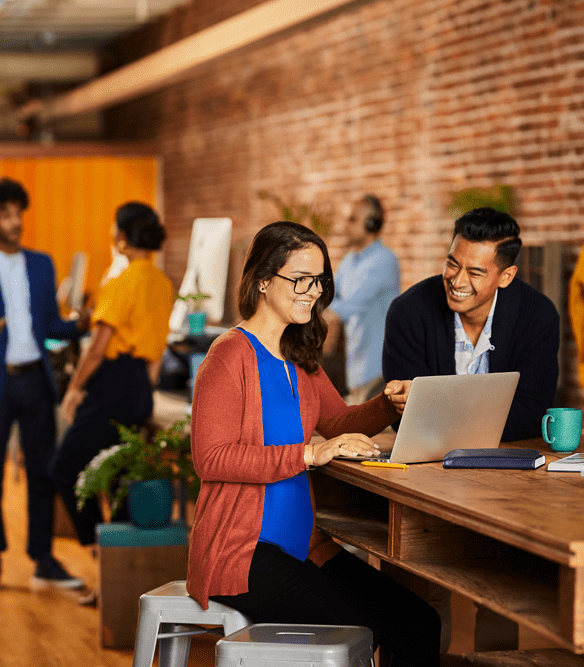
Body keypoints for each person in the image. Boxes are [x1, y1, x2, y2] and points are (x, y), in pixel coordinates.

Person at [186, 220, 438, 666]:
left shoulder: (301, 357)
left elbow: (337, 421)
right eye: (300, 279)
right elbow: (211, 458)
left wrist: (389, 404)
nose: (313, 291)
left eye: (319, 279)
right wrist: (308, 453)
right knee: (363, 628)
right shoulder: (227, 358)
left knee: (418, 621)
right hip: (244, 555)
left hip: (302, 546)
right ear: (263, 280)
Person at [0, 177, 88, 591]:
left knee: (43, 473)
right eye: (6, 214)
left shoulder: (41, 263)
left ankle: (44, 558)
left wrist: (78, 325)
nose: (15, 221)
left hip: (35, 379)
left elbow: (49, 325)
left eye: (18, 213)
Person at [52, 202, 175, 547]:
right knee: (122, 476)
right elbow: (158, 349)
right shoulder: (162, 284)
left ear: (121, 236)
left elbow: (96, 348)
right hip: (139, 387)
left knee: (66, 469)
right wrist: (144, 394)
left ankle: (96, 551)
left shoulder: (121, 283)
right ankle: (114, 572)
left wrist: (75, 389)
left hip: (113, 382)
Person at [383, 207, 560, 441]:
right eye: (453, 264)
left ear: (505, 276)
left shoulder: (538, 315)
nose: (457, 281)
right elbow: (403, 417)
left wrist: (438, 414)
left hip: (508, 457)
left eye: (475, 273)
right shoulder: (407, 312)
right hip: (428, 459)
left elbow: (533, 411)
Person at [327, 194, 400, 404]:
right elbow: (329, 294)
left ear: (371, 223)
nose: (346, 225)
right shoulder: (349, 261)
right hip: (355, 366)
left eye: (353, 219)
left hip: (378, 368)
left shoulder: (384, 260)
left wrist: (314, 313)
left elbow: (351, 304)